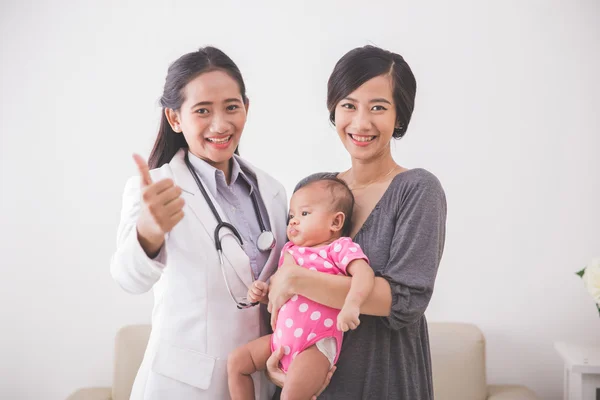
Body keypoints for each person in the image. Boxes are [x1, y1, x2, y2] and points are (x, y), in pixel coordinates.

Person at [265, 45, 447, 399]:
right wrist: (282, 362)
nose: (361, 123)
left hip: (384, 379)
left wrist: (297, 279)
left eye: (378, 107)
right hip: (311, 384)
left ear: (399, 115)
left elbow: (403, 300)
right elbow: (281, 289)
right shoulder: (316, 188)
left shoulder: (418, 190)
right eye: (349, 105)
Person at [110, 46, 289, 400]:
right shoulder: (157, 189)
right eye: (202, 111)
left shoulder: (272, 191)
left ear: (247, 108)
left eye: (231, 107)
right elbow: (127, 278)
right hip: (185, 387)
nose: (220, 125)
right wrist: (148, 231)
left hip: (258, 382)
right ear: (175, 119)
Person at [227, 177, 375, 400]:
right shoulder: (290, 250)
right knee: (237, 363)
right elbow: (281, 295)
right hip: (280, 340)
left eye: (304, 214)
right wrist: (263, 293)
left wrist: (352, 304)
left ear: (335, 222)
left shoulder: (338, 248)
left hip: (315, 345)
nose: (294, 221)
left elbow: (364, 274)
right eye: (292, 216)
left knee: (290, 396)